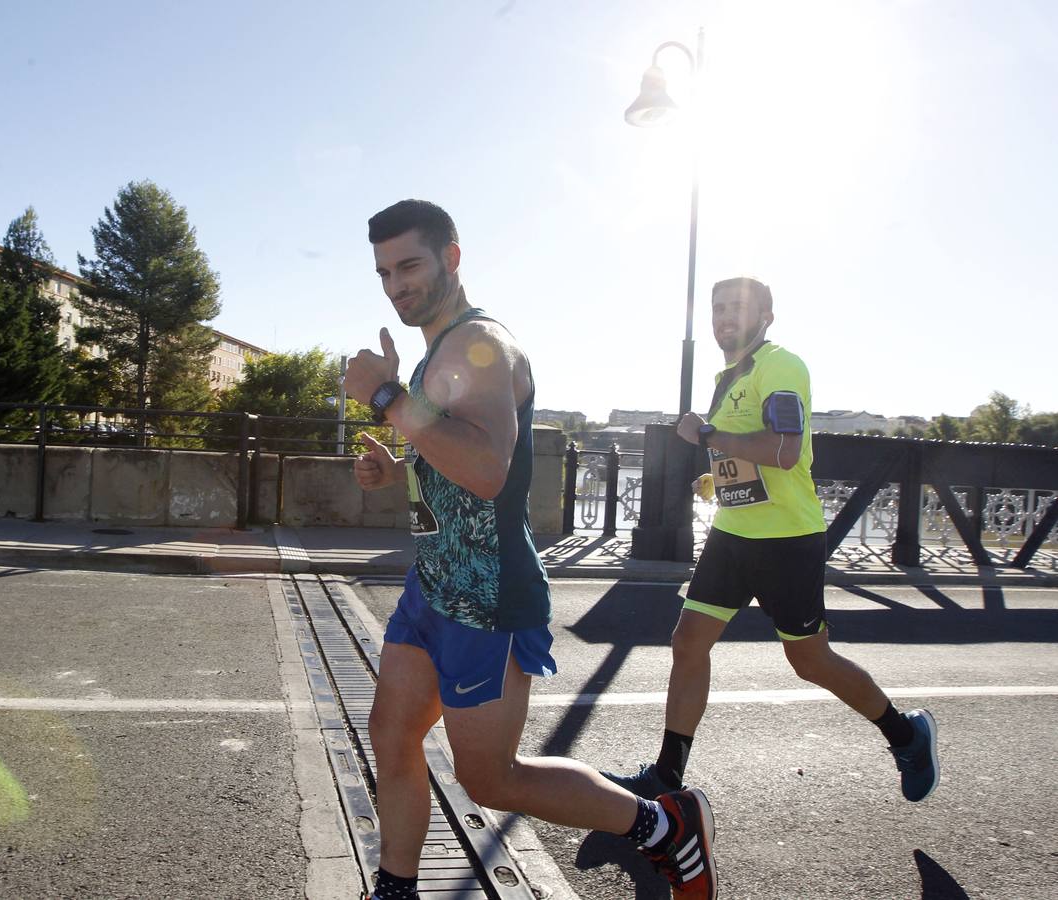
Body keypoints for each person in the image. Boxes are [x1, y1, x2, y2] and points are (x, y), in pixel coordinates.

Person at [345, 199, 718, 900]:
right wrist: (396, 468)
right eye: (384, 272)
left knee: (490, 778)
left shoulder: (480, 344)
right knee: (391, 736)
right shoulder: (439, 351)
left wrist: (389, 394)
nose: (396, 285)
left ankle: (663, 826)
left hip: (488, 596)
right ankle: (396, 889)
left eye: (410, 265)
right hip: (432, 587)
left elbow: (488, 468)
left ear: (452, 258)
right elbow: (449, 459)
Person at [604, 276, 941, 807]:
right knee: (688, 641)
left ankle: (907, 734)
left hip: (787, 539)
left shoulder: (782, 365)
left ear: (766, 316)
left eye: (736, 307)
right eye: (717, 309)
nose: (724, 317)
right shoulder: (726, 378)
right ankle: (667, 778)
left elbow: (785, 450)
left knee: (809, 661)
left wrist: (707, 436)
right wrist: (718, 478)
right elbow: (750, 459)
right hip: (733, 535)